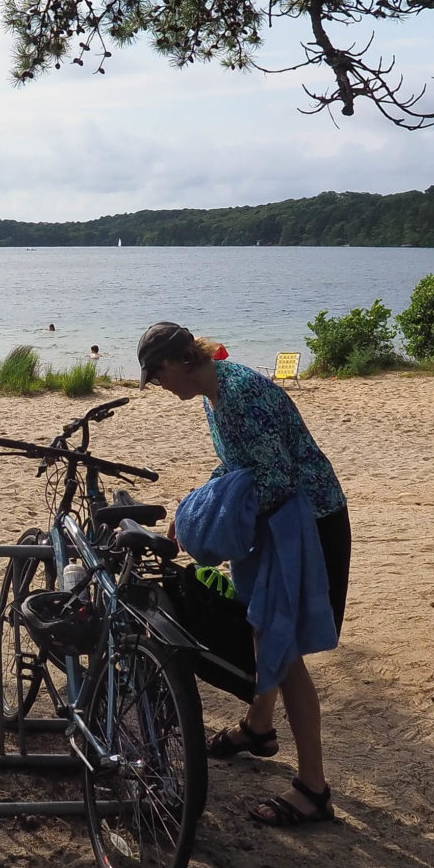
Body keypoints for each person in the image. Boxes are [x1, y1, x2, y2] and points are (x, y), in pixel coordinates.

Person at [139, 319, 351, 828]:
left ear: (182, 362)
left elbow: (275, 483)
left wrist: (211, 526)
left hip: (308, 526)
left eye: (158, 374)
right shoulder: (217, 391)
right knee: (263, 630)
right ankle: (258, 728)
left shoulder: (239, 398)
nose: (160, 387)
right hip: (281, 524)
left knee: (283, 645)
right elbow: (240, 468)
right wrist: (190, 511)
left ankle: (313, 789)